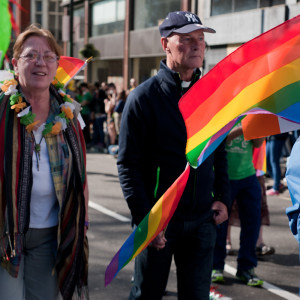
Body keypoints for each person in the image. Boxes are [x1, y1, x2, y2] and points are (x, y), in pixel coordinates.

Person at [117, 11, 230, 300]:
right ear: (165, 44)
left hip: (203, 220)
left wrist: (222, 198)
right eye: (187, 39)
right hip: (159, 222)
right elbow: (128, 165)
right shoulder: (143, 98)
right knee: (147, 295)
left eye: (201, 39)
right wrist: (147, 221)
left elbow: (218, 150)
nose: (196, 45)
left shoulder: (211, 95)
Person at [0, 24, 89, 300]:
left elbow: (80, 178)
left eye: (48, 56)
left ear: (56, 65)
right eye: (31, 55)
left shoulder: (69, 115)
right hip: (4, 235)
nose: (40, 62)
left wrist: (81, 221)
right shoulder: (1, 110)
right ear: (16, 64)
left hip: (49, 235)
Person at [212, 125, 264, 287]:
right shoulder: (226, 109)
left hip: (248, 176)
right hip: (223, 177)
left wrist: (259, 125)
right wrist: (245, 127)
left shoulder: (251, 111)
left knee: (252, 223)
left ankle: (246, 268)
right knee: (219, 223)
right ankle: (216, 267)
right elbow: (218, 139)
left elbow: (257, 143)